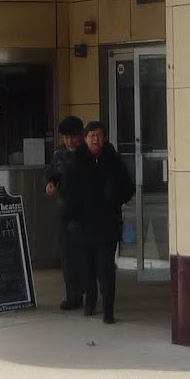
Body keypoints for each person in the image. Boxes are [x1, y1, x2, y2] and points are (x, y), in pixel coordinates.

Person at [60, 119, 135, 323]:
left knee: (105, 267)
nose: (95, 139)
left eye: (99, 135)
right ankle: (90, 301)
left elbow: (129, 188)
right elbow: (67, 192)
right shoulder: (76, 162)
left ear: (104, 138)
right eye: (91, 135)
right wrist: (71, 218)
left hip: (107, 223)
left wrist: (114, 197)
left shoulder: (114, 160)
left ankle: (108, 308)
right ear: (85, 139)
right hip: (83, 224)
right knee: (87, 267)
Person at [45, 115, 86, 309]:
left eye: (73, 137)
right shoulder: (59, 155)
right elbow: (52, 174)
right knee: (67, 253)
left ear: (81, 136)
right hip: (64, 208)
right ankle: (73, 296)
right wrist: (51, 183)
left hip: (86, 210)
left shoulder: (88, 154)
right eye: (66, 137)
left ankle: (90, 291)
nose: (70, 141)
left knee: (85, 252)